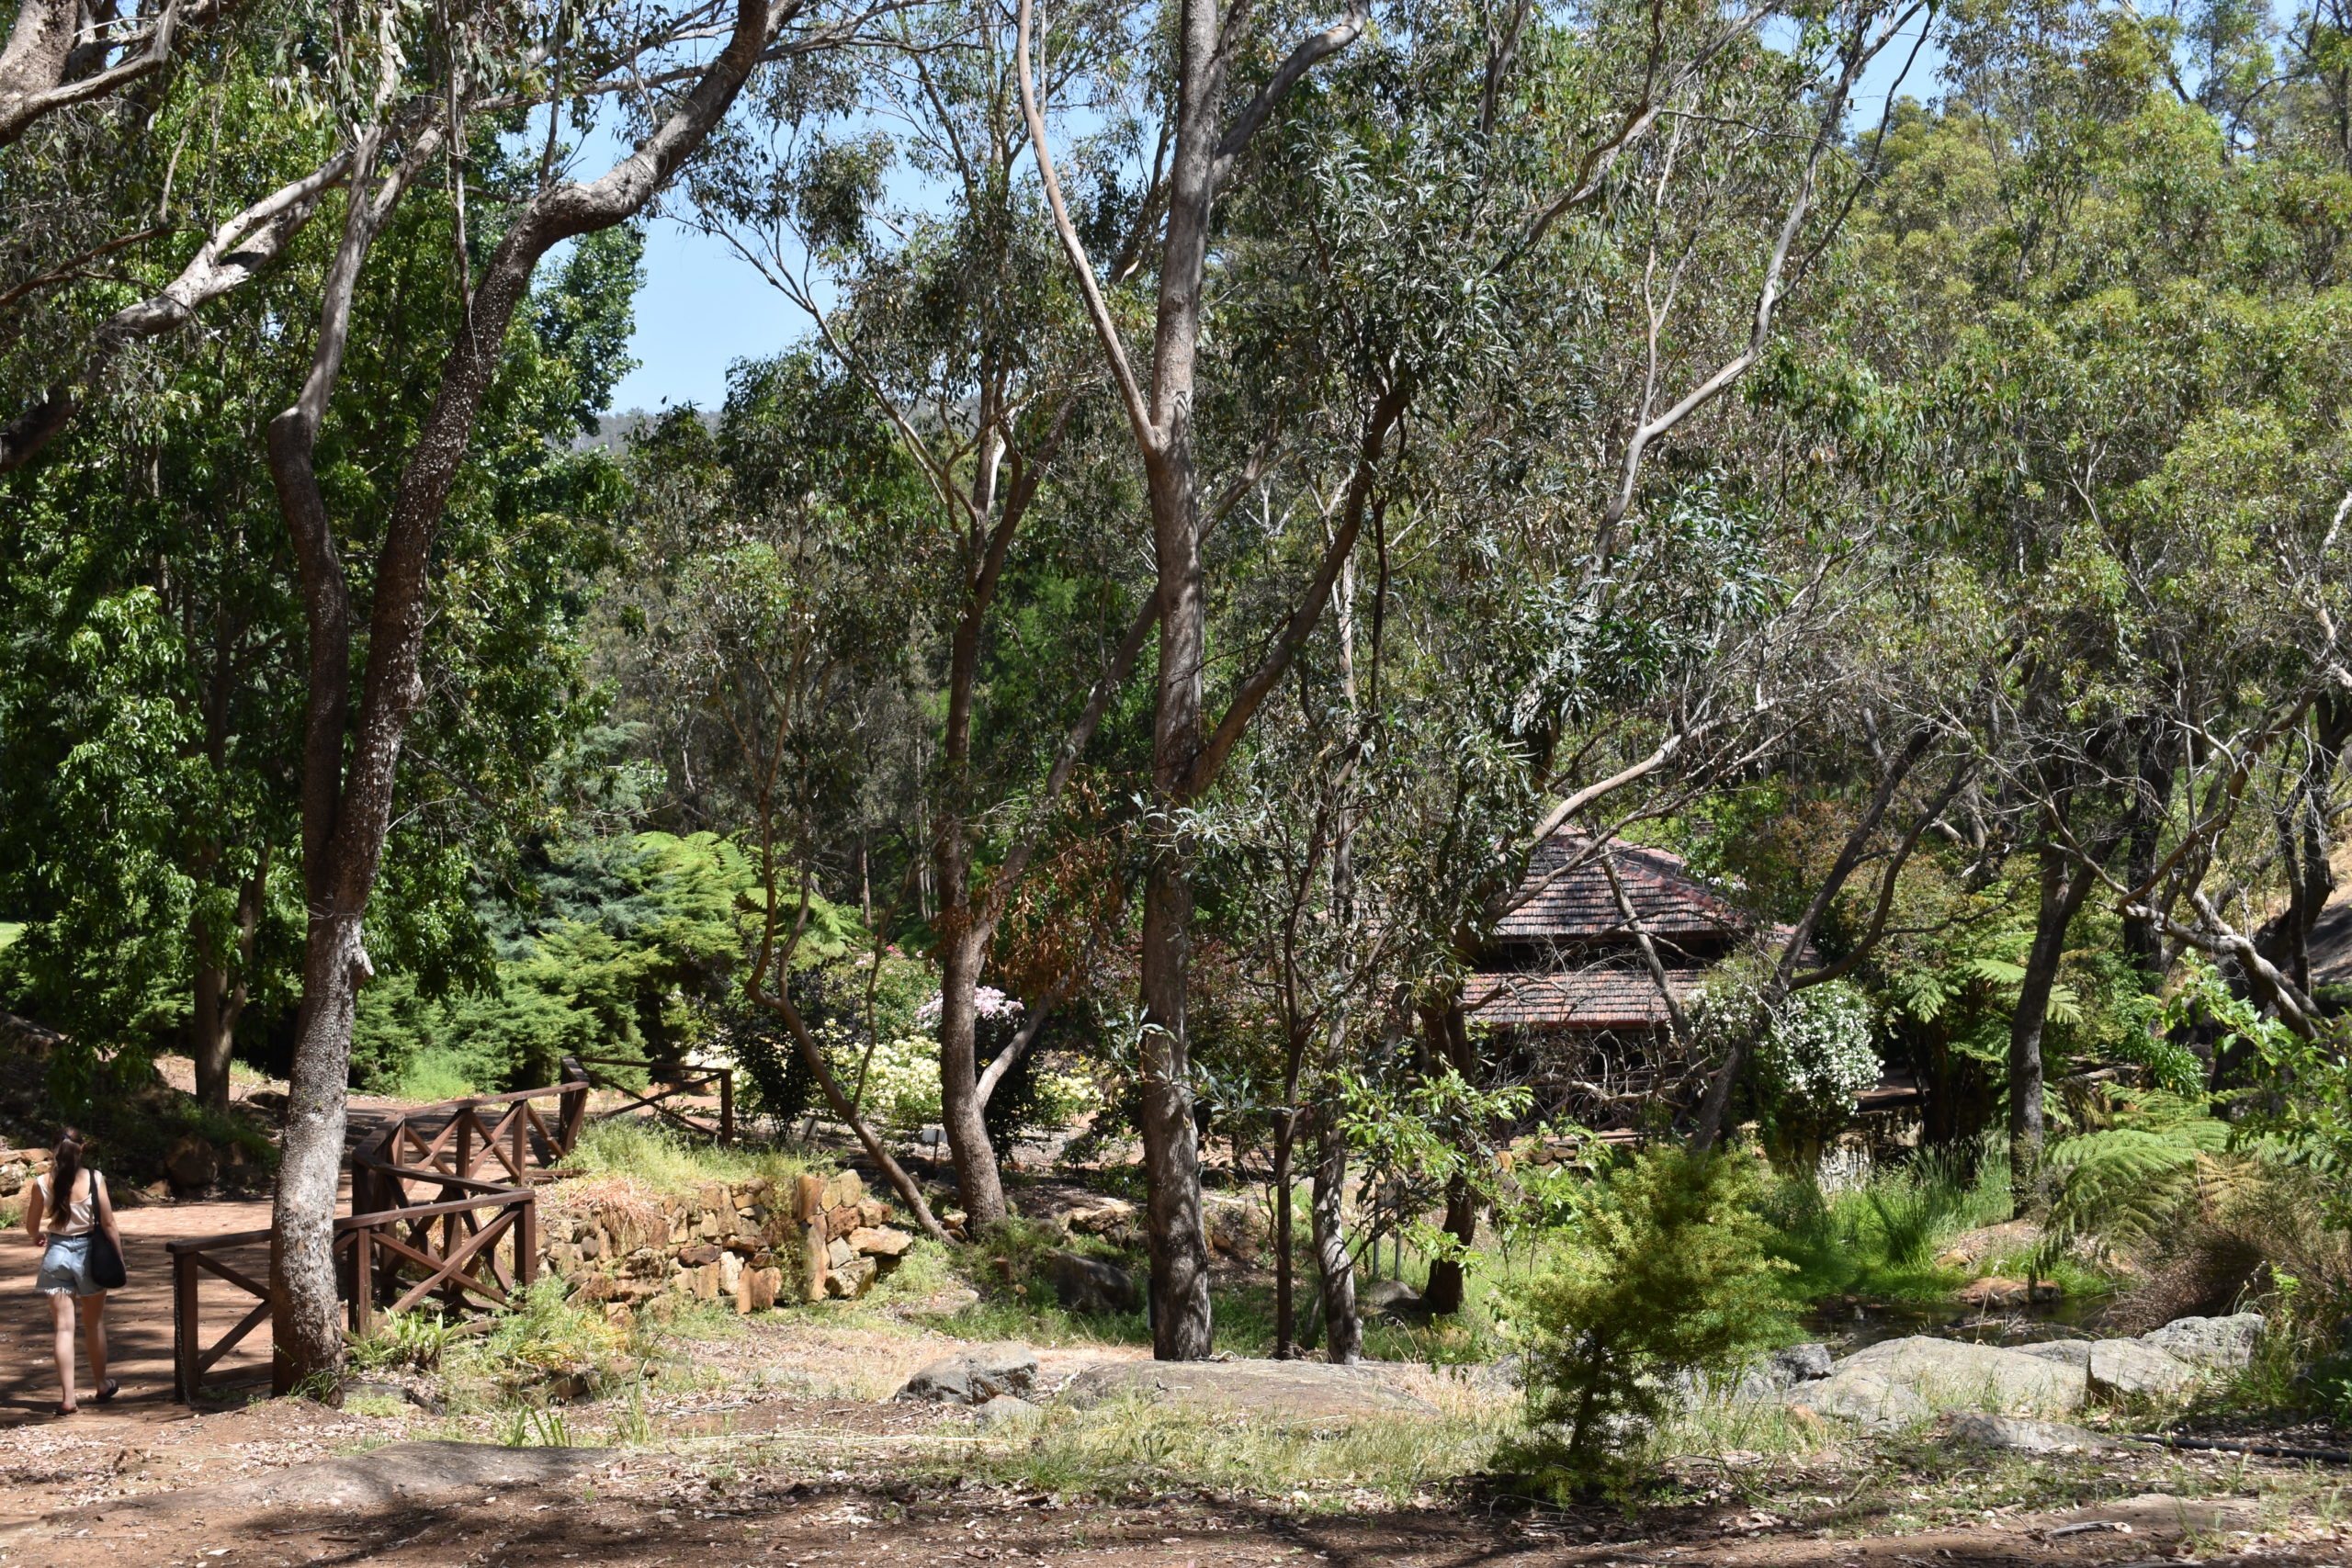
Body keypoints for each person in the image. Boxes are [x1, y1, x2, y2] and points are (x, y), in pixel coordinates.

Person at [21, 1129, 122, 1415]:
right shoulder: (94, 1178)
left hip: (56, 1255)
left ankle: (68, 1398)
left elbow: (31, 1225)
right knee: (94, 1324)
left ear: (53, 1150)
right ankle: (101, 1384)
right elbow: (109, 1224)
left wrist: (36, 1236)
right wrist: (119, 1258)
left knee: (63, 1329)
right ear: (82, 1148)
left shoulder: (42, 1183)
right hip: (90, 1255)